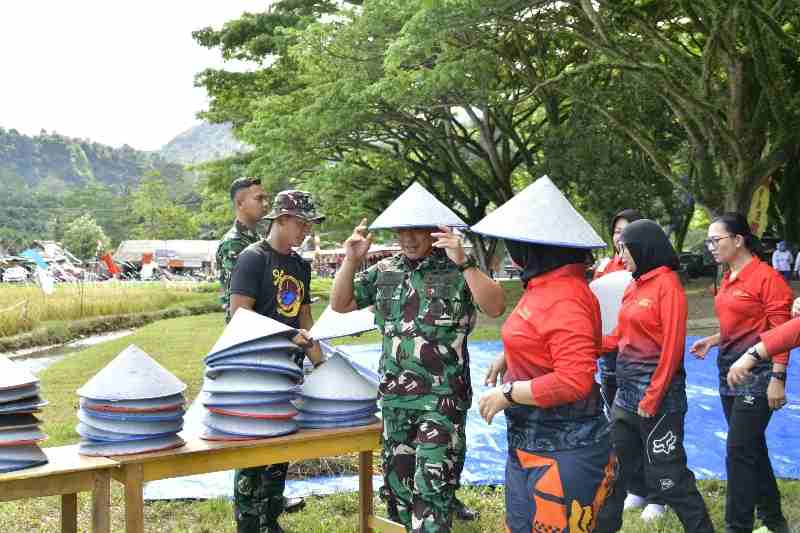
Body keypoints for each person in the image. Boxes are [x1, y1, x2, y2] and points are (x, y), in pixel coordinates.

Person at [330, 182, 506, 532]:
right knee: (399, 491)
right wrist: (350, 259)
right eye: (402, 230)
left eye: (417, 230)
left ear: (435, 230)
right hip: (396, 400)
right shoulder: (385, 271)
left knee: (433, 487)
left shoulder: (457, 269)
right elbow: (341, 303)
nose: (408, 238)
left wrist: (467, 261)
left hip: (442, 401)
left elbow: (496, 306)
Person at [474, 176, 624, 533]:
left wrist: (508, 393)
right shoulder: (542, 285)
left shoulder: (565, 295)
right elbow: (543, 337)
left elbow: (574, 379)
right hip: (529, 442)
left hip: (564, 450)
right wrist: (510, 356)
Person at [600, 219, 714, 532]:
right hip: (625, 394)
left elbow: (673, 350)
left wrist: (653, 396)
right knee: (613, 468)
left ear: (643, 248)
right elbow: (618, 337)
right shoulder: (633, 285)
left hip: (659, 398)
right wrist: (585, 343)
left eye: (625, 248)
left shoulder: (668, 286)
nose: (620, 255)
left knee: (669, 476)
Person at [228, 190, 326, 533]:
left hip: (289, 370)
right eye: (302, 222)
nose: (306, 230)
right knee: (253, 454)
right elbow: (239, 317)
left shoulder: (300, 265)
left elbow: (305, 319)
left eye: (310, 224)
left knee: (280, 450)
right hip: (254, 372)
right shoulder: (253, 258)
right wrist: (286, 337)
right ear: (281, 219)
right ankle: (249, 524)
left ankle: (270, 521)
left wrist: (323, 364)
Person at [690, 213, 792, 533]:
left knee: (737, 451)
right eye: (709, 241)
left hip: (759, 374)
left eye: (715, 240)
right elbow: (742, 323)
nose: (710, 247)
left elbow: (784, 331)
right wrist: (714, 339)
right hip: (729, 372)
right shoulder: (727, 275)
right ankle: (775, 521)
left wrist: (778, 377)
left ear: (738, 240)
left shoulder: (767, 278)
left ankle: (738, 527)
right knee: (751, 448)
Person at [216, 177, 268, 322]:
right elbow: (239, 298)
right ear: (240, 203)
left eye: (265, 198)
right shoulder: (233, 244)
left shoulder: (257, 239)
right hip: (244, 328)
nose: (265, 204)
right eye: (259, 199)